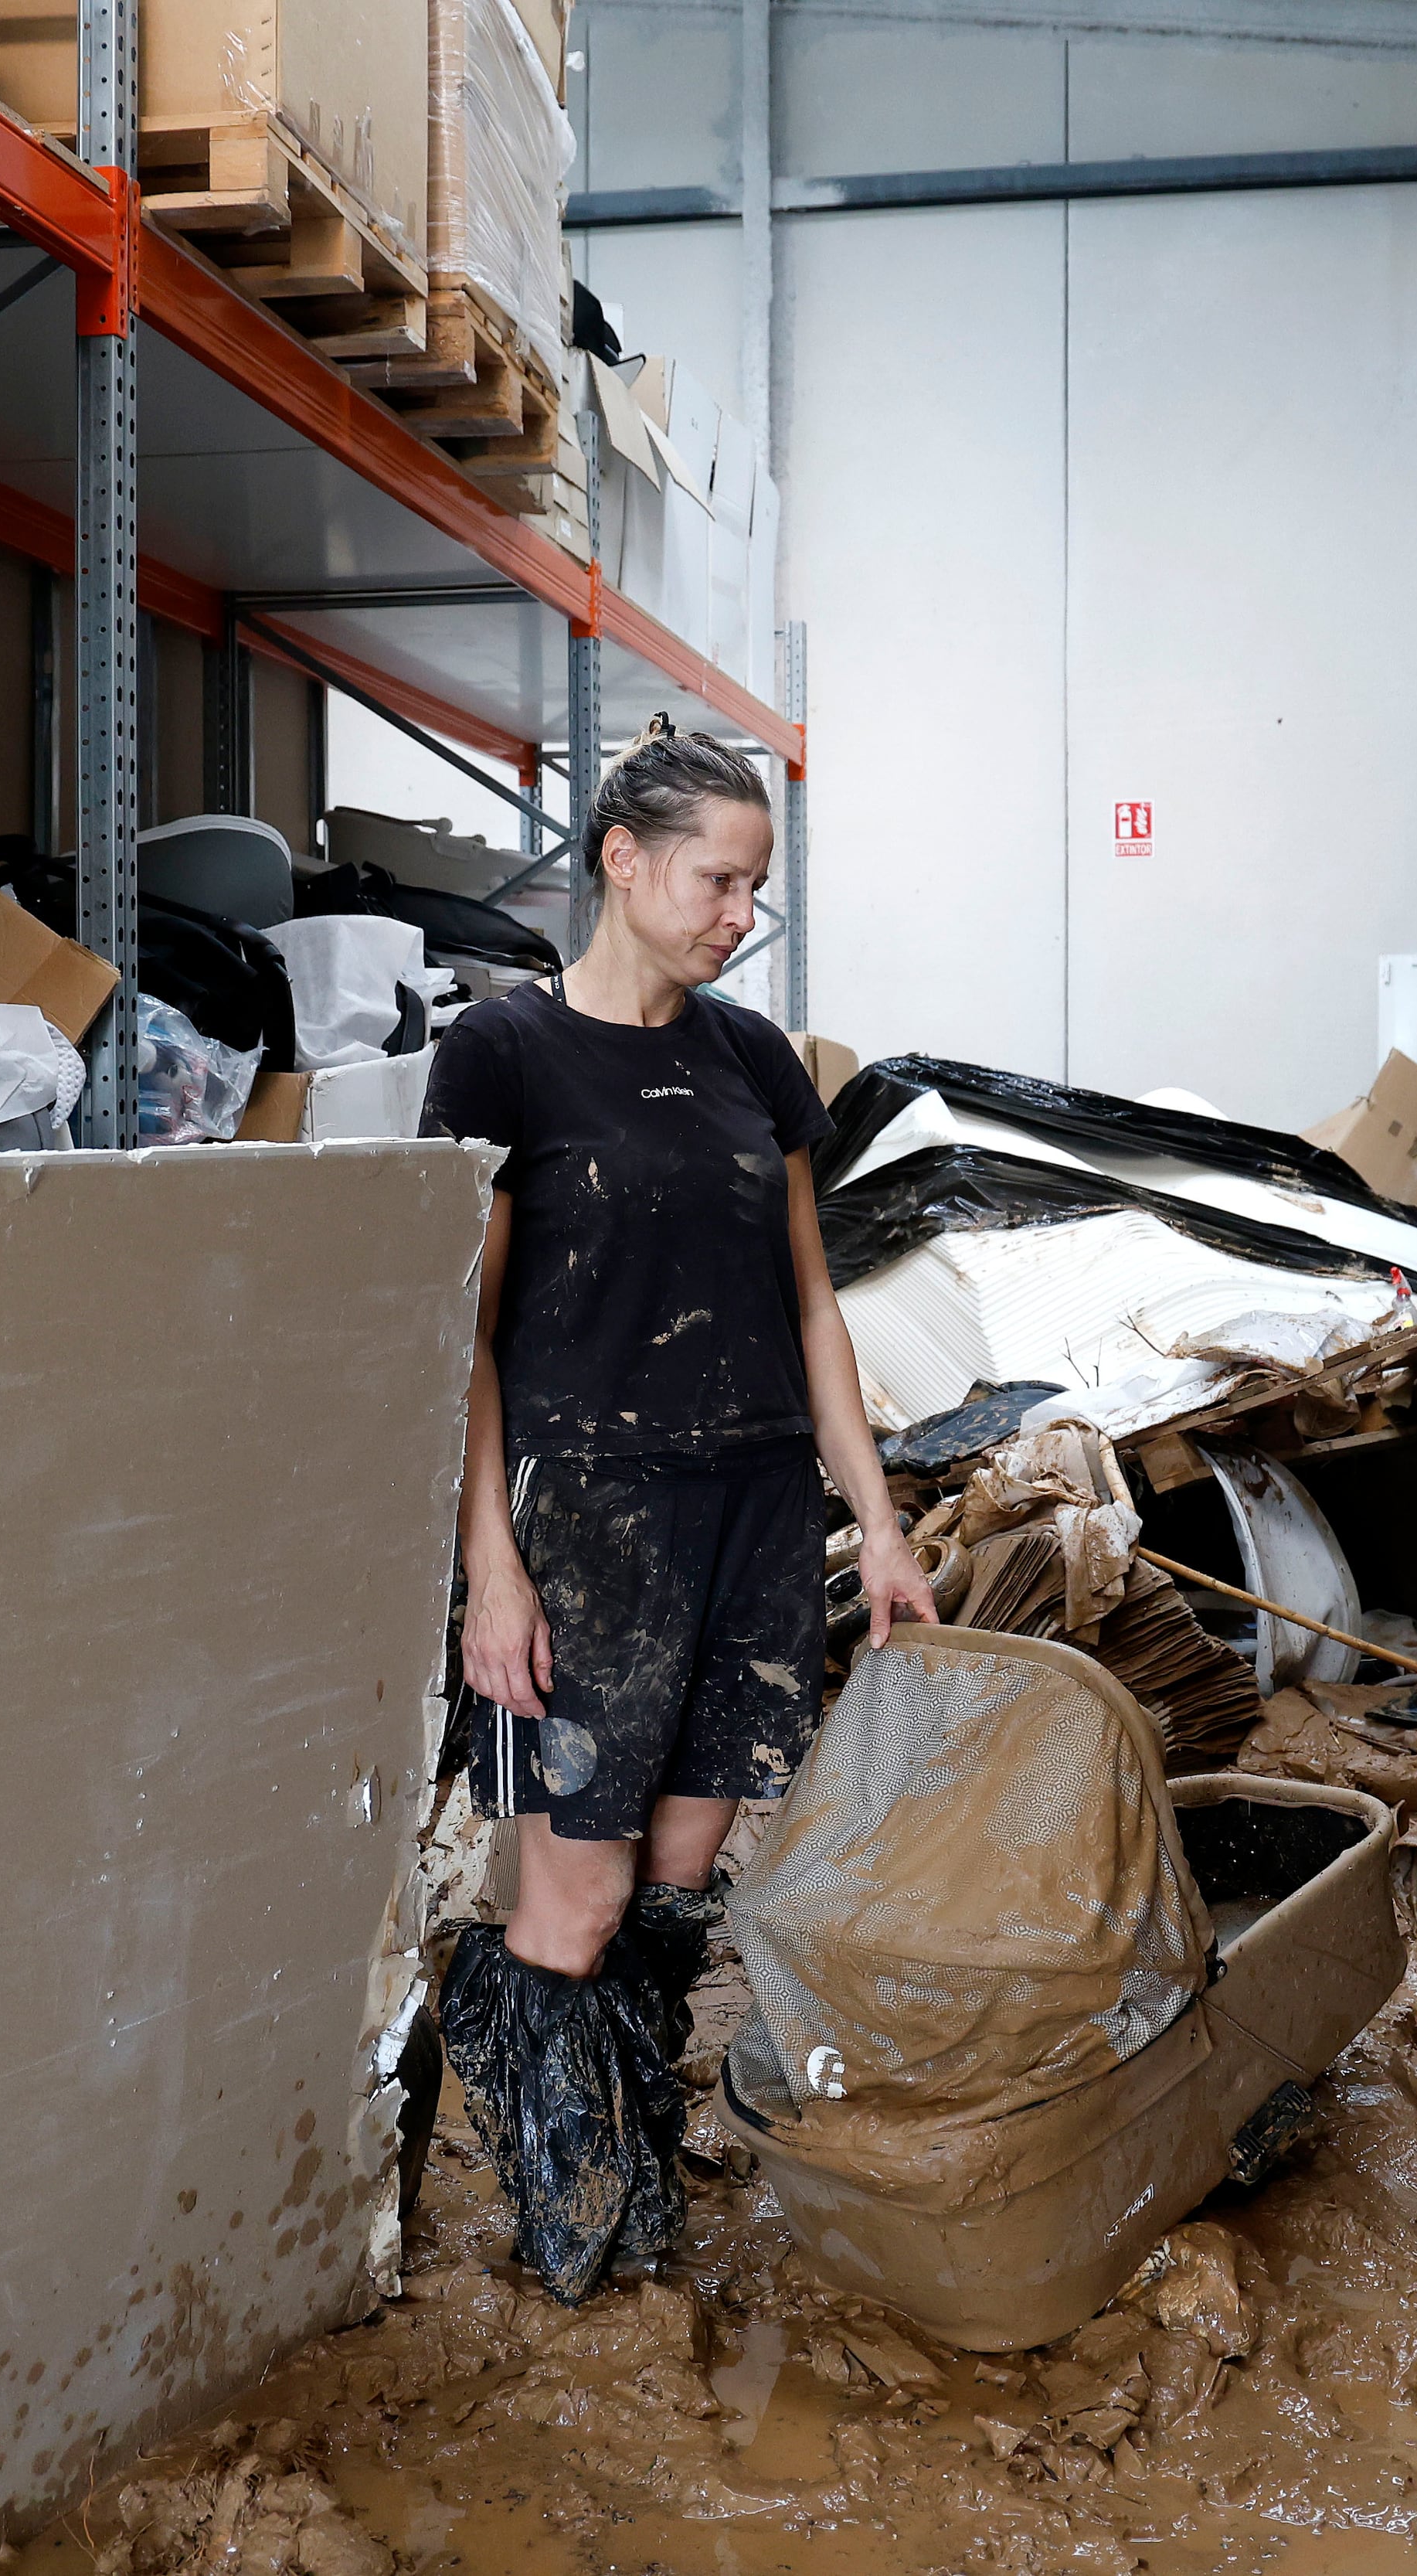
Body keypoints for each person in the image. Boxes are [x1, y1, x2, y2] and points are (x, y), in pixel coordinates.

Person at [423, 713, 936, 2301]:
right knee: (570, 1897)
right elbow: (458, 1331)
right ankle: (578, 2214)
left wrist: (880, 1517)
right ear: (621, 859)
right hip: (582, 1524)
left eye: (754, 888)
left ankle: (627, 2162)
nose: (737, 913)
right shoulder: (501, 1052)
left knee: (674, 1881)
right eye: (716, 878)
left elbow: (812, 1308)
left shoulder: (755, 1061)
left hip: (754, 1518)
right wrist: (490, 1574)